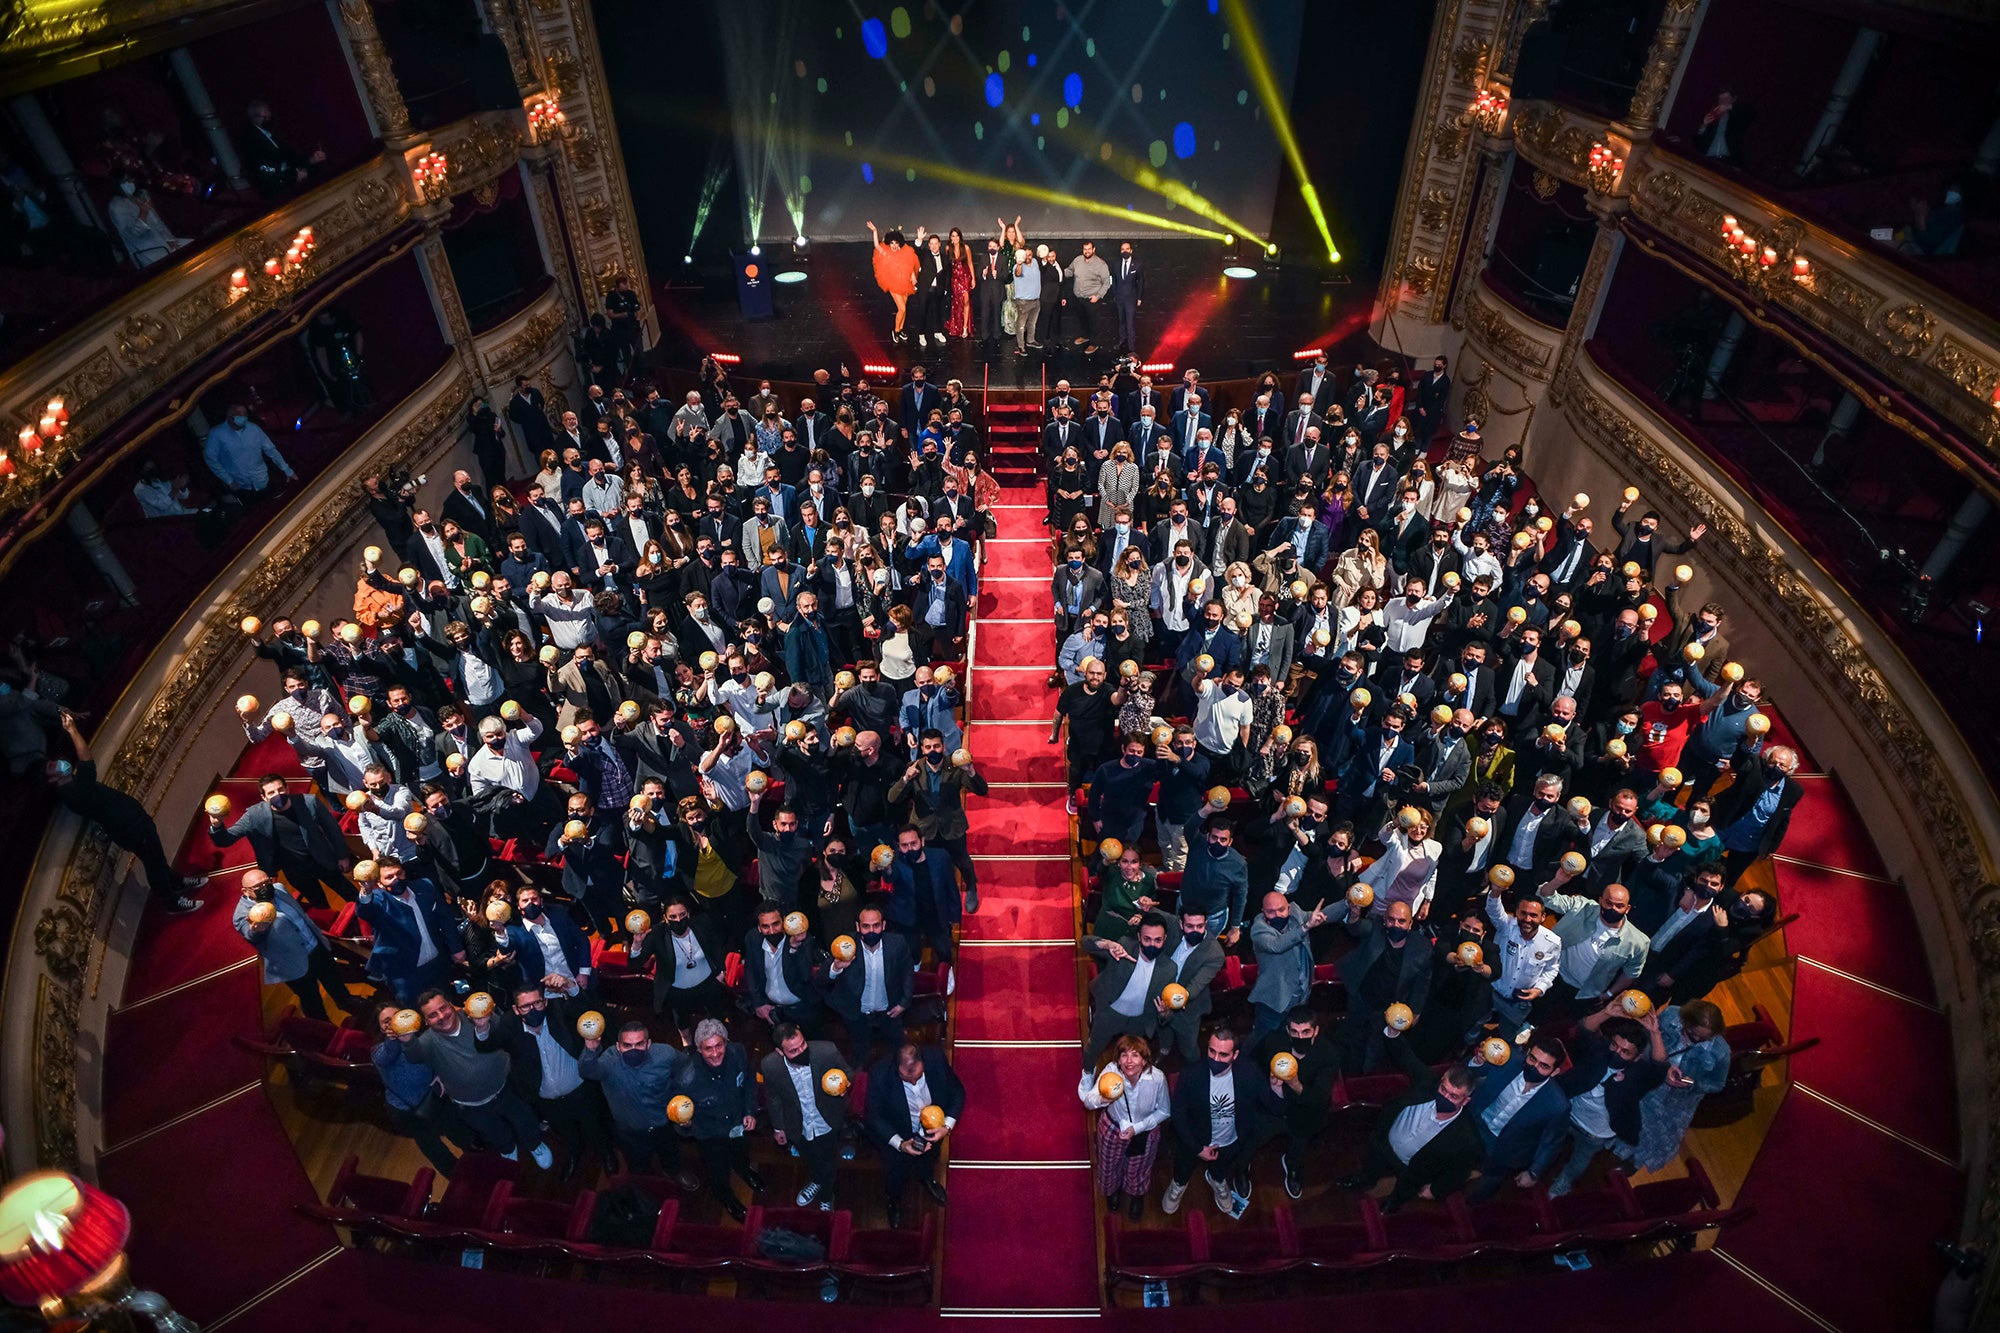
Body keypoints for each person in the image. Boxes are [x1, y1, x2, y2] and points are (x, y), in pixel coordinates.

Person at [45, 710, 205, 912]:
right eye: (52, 766)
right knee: (153, 864)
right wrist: (72, 730)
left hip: (132, 822)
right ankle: (171, 901)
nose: (57, 762)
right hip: (130, 828)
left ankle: (176, 881)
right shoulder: (73, 791)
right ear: (53, 780)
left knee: (155, 857)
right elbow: (87, 761)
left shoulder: (74, 785)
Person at [398, 990, 554, 1168]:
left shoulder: (475, 1014)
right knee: (495, 1132)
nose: (441, 1016)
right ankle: (508, 1149)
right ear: (426, 1022)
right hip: (471, 1105)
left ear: (451, 1005)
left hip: (506, 1087)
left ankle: (534, 1144)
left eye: (443, 1008)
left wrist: (486, 1026)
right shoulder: (428, 1041)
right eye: (433, 1015)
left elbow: (505, 1031)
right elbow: (414, 1056)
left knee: (524, 1119)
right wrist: (407, 1041)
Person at [1520, 1005, 1664, 1197]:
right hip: (1569, 1113)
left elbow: (1659, 1067)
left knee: (1580, 1159)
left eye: (1625, 1052)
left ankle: (1563, 1183)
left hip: (1595, 1132)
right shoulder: (1600, 1051)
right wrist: (1607, 1013)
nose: (1616, 1052)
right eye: (1615, 1045)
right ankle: (1532, 1166)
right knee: (1547, 1140)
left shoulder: (1637, 1076)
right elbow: (1584, 1030)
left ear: (1636, 1058)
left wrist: (1654, 1032)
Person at [477, 982, 614, 1182]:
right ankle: (575, 1153)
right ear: (516, 1009)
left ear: (546, 1001)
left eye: (537, 1003)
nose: (533, 1009)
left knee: (594, 1126)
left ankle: (606, 1154)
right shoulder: (509, 1024)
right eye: (526, 1006)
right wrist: (482, 1027)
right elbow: (486, 1045)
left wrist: (570, 987)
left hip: (580, 1089)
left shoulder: (559, 1011)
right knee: (565, 1131)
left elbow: (587, 1008)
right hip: (546, 1099)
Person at [1337, 1027, 1481, 1209]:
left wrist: (1436, 1189)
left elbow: (1459, 1172)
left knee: (1402, 1192)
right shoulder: (1427, 1083)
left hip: (1412, 1169)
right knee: (1371, 1164)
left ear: (1466, 1100)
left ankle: (1392, 1204)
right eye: (1443, 1089)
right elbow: (1407, 1057)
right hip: (1384, 1142)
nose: (1444, 1097)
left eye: (1453, 1096)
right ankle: (1366, 1180)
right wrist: (1392, 1032)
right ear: (1441, 1080)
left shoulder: (1467, 1138)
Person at [1162, 1027, 1278, 1220]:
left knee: (1220, 1168)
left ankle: (1217, 1180)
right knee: (1183, 1167)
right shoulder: (1192, 1074)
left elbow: (1274, 1107)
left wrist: (1276, 1089)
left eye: (1223, 1054)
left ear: (1235, 1055)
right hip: (1195, 1139)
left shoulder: (1249, 1072)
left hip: (1231, 1139)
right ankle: (1178, 1185)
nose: (1215, 1059)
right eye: (1211, 1051)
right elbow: (1178, 1113)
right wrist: (1197, 1147)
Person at [576, 1018, 701, 1190]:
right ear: (618, 1046)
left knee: (671, 1152)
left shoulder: (665, 1054)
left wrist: (679, 1094)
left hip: (663, 1122)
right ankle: (644, 1184)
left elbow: (686, 1067)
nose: (633, 1049)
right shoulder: (609, 1061)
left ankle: (674, 1171)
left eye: (639, 1044)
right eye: (627, 1045)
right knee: (637, 1163)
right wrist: (591, 1049)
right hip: (630, 1129)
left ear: (648, 1044)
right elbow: (587, 1071)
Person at [208, 774, 352, 909]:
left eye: (280, 789)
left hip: (323, 860)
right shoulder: (254, 816)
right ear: (264, 797)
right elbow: (226, 840)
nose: (277, 794)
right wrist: (217, 825)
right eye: (271, 793)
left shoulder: (309, 802)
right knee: (320, 905)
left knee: (349, 893)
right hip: (296, 871)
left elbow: (333, 830)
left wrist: (342, 856)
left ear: (287, 788)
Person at [232, 869, 356, 1021]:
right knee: (311, 1000)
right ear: (246, 891)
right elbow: (251, 936)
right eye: (259, 886)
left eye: (267, 882)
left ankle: (347, 1002)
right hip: (293, 963)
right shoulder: (242, 914)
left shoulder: (278, 889)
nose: (266, 887)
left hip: (315, 947)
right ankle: (324, 1029)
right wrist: (257, 930)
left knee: (334, 980)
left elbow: (301, 916)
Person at [672, 1018, 763, 1221]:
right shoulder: (686, 1079)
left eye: (719, 1045)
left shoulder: (738, 1052)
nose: (715, 1054)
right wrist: (685, 1125)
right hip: (710, 1134)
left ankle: (743, 1170)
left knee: (741, 1153)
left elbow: (749, 1081)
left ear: (726, 1042)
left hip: (738, 1123)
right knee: (718, 1169)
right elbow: (678, 1117)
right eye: (708, 1049)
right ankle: (724, 1194)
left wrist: (750, 1111)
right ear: (699, 1050)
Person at [865, 1042, 963, 1229]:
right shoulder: (879, 1074)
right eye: (906, 1077)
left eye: (917, 1077)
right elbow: (874, 1117)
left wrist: (946, 1127)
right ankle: (893, 1200)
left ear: (923, 1063)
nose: (913, 1082)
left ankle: (927, 1179)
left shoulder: (936, 1059)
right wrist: (900, 1144)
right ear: (896, 1067)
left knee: (929, 1160)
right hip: (898, 1134)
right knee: (895, 1173)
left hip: (932, 1130)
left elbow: (957, 1092)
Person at [371, 1000, 468, 1177]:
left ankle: (477, 1159)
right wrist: (392, 1038)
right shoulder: (380, 1051)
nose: (393, 1022)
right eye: (386, 1021)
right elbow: (387, 1055)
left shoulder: (421, 1035)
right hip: (409, 1112)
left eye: (396, 1016)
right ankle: (458, 1177)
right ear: (380, 1028)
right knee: (434, 1148)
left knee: (456, 1130)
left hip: (434, 1096)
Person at [761, 1021, 851, 1210]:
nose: (802, 1051)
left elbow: (849, 1073)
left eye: (803, 1044)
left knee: (827, 1161)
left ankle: (827, 1196)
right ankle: (816, 1181)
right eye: (793, 1051)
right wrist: (778, 1127)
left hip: (827, 1119)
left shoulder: (827, 1051)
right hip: (797, 1125)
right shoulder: (770, 1066)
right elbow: (774, 1097)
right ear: (780, 1052)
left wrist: (844, 1085)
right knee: (809, 1157)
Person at [1631, 999, 1730, 1171]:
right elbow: (1646, 1040)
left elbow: (1717, 1084)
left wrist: (1691, 1083)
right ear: (1686, 1021)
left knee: (1644, 1144)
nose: (1697, 1040)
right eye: (1693, 1034)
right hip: (1645, 1083)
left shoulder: (1721, 1052)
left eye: (1705, 1038)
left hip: (1672, 1104)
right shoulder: (1670, 1016)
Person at [1080, 1034, 1170, 1220]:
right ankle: (1112, 1192)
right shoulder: (1111, 1072)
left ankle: (1136, 1196)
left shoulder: (1157, 1078)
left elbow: (1164, 1111)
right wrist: (1104, 1098)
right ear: (1118, 1059)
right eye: (1124, 1055)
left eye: (1135, 1055)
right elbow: (1088, 1102)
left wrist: (1137, 1128)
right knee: (1108, 1164)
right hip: (1112, 1128)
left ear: (1144, 1060)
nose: (1129, 1061)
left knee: (1139, 1168)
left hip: (1144, 1132)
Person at [820, 902, 913, 1062]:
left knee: (898, 1055)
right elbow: (821, 979)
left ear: (883, 925)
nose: (871, 931)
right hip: (857, 1015)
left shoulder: (897, 944)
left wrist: (904, 1002)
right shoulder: (845, 945)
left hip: (889, 1013)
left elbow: (907, 974)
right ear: (858, 926)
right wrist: (836, 967)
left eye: (876, 925)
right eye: (866, 926)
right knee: (859, 1057)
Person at [1081, 915, 1173, 1066]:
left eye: (1158, 940)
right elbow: (1085, 942)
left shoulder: (1169, 969)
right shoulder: (1123, 946)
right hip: (1110, 1012)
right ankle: (1088, 1072)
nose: (1152, 945)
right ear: (1138, 937)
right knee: (1094, 1047)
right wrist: (1107, 944)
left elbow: (1167, 1015)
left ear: (1165, 939)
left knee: (1134, 1059)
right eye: (1147, 939)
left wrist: (1164, 1012)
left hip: (1139, 1021)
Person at [203, 405, 295, 499]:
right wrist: (229, 480)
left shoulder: (254, 428)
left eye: (245, 414)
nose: (242, 417)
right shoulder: (216, 434)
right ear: (230, 416)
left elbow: (271, 450)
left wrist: (287, 470)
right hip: (240, 485)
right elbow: (211, 459)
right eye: (239, 414)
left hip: (263, 479)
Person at [866, 222, 923, 343]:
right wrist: (875, 231)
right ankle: (896, 331)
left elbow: (910, 264)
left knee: (904, 309)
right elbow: (877, 245)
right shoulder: (886, 253)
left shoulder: (905, 252)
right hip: (892, 283)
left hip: (905, 283)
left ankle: (901, 329)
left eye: (896, 243)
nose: (894, 245)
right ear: (889, 243)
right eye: (892, 243)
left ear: (899, 243)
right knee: (901, 309)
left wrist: (913, 275)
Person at [1111, 241, 1143, 351]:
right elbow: (1114, 280)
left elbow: (1141, 282)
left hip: (1131, 298)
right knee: (1121, 321)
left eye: (1127, 249)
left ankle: (1131, 347)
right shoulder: (1116, 264)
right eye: (1123, 249)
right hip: (1119, 298)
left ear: (1131, 250)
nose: (1125, 251)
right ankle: (1122, 342)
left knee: (1130, 323)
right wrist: (1114, 294)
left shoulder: (1137, 265)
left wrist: (1139, 297)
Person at [1011, 241, 1043, 354]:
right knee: (1021, 325)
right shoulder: (1018, 266)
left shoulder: (1035, 262)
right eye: (1025, 255)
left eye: (1029, 255)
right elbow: (1018, 273)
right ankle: (1020, 345)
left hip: (1036, 300)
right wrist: (1019, 263)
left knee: (1032, 323)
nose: (1028, 257)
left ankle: (1030, 340)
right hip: (1024, 301)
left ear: (1032, 255)